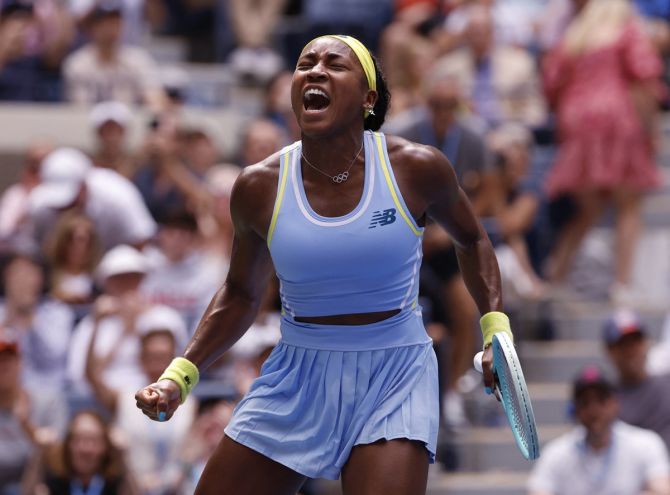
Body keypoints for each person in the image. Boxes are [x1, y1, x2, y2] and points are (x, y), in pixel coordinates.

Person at [135, 34, 510, 495]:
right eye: (305, 63)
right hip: (295, 371)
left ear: (368, 98)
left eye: (334, 65)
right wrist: (179, 376)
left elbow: (472, 240)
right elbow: (240, 293)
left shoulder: (417, 168)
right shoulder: (258, 187)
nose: (315, 71)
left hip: (394, 371)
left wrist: (496, 332)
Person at [541, 0, 665, 300]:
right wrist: (652, 132)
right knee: (628, 206)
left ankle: (555, 275)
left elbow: (550, 83)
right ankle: (622, 285)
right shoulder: (626, 31)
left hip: (576, 120)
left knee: (589, 209)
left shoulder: (575, 36)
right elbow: (646, 80)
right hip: (616, 118)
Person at [527, 364, 670, 495]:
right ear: (575, 409)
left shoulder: (645, 444)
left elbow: (662, 491)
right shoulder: (557, 453)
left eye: (601, 400)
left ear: (615, 403)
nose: (593, 409)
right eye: (585, 402)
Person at [603, 309, 670, 453]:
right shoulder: (603, 400)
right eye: (623, 345)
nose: (631, 351)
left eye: (635, 342)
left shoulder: (667, 386)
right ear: (609, 351)